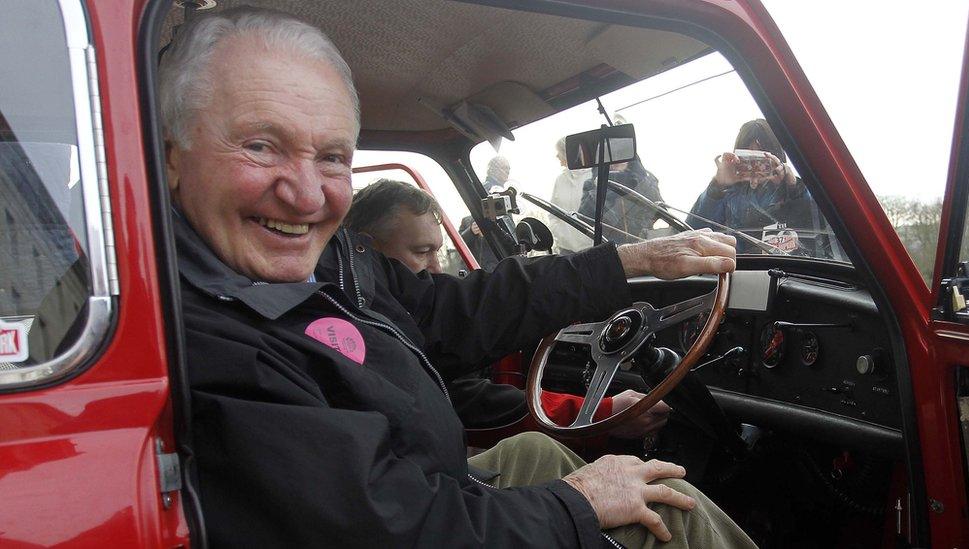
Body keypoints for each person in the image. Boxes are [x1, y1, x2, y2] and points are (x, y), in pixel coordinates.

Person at [160, 7, 754, 548]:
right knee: (665, 515)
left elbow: (451, 312)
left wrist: (630, 262)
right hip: (417, 522)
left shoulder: (336, 263)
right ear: (170, 154)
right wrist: (574, 506)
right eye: (261, 146)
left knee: (532, 452)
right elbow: (389, 528)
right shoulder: (205, 338)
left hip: (434, 485)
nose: (307, 194)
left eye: (332, 157)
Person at [345, 178, 671, 435]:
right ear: (367, 252)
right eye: (421, 252)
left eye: (437, 252)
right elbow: (466, 400)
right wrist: (600, 413)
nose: (436, 267)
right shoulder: (366, 323)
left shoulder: (393, 309)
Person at [687, 119, 817, 253]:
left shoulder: (797, 190)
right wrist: (717, 186)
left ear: (777, 156)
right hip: (739, 269)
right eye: (747, 158)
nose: (755, 166)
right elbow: (691, 234)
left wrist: (793, 187)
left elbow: (822, 226)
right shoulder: (726, 194)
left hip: (791, 269)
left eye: (762, 158)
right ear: (737, 158)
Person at [579, 155, 664, 243]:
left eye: (622, 153)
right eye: (611, 156)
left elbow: (660, 211)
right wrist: (602, 189)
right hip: (609, 246)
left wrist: (641, 225)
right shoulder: (592, 184)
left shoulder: (644, 181)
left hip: (642, 243)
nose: (617, 160)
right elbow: (584, 218)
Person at [550, 136, 593, 253]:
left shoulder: (593, 176)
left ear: (567, 153)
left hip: (591, 248)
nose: (556, 156)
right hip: (566, 249)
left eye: (559, 152)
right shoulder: (560, 180)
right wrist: (559, 232)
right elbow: (552, 212)